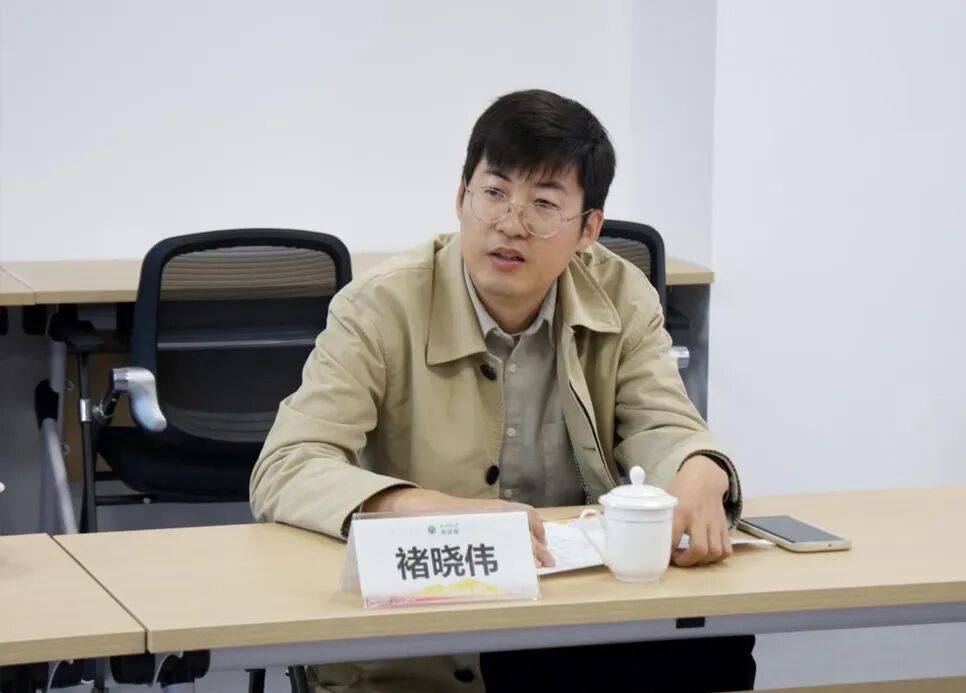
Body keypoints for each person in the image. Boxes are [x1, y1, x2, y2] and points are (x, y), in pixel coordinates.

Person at [250, 89, 755, 692]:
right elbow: (287, 465)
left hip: (573, 615)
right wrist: (437, 511)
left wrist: (701, 467)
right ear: (460, 197)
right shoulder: (379, 306)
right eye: (493, 193)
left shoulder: (622, 296)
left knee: (718, 645)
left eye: (543, 205)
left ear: (588, 229)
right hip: (434, 618)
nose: (510, 224)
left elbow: (661, 421)